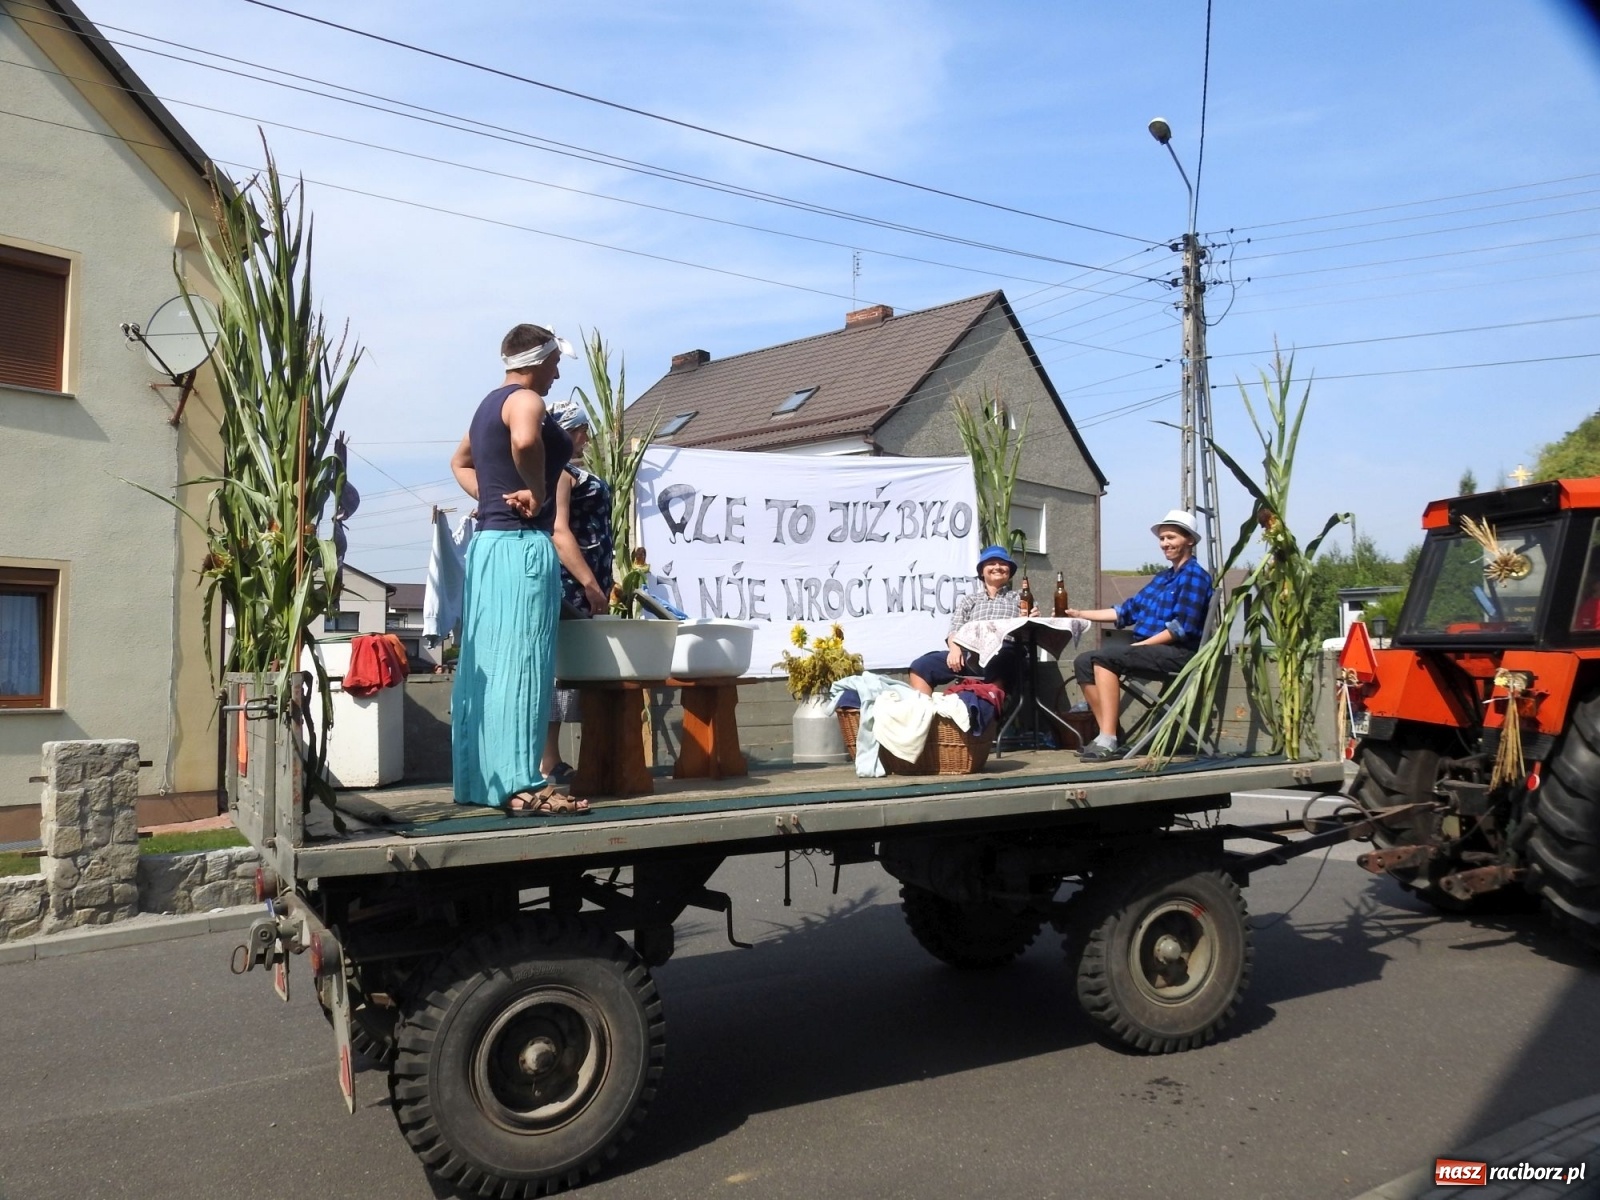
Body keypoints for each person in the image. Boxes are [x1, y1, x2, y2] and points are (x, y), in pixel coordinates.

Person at [448, 323, 589, 815]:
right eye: (554, 363)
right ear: (537, 360)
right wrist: (538, 491)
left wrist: (491, 499)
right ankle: (521, 783)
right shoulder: (527, 402)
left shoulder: (488, 403)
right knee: (525, 663)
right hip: (523, 547)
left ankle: (482, 781)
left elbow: (460, 462)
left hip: (489, 545)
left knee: (487, 659)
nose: (555, 373)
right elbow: (528, 442)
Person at [1065, 509, 1214, 762]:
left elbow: (1180, 629)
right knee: (1083, 661)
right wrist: (1080, 613)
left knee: (1106, 658)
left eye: (1171, 537)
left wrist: (1142, 645)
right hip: (1150, 650)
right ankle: (1109, 733)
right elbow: (1127, 611)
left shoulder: (1195, 576)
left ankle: (1108, 739)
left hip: (1180, 653)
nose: (1165, 543)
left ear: (1190, 540)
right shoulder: (1163, 578)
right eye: (1162, 538)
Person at [542, 397, 613, 783]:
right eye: (580, 429)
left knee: (575, 672)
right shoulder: (559, 473)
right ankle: (549, 759)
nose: (586, 436)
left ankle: (568, 755)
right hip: (572, 584)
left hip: (591, 580)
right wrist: (589, 583)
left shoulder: (572, 470)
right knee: (561, 670)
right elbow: (559, 531)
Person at [908, 544, 1025, 695]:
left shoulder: (1020, 597)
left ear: (1009, 572)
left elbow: (1032, 625)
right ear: (982, 572)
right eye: (991, 563)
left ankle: (991, 706)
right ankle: (924, 714)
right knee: (921, 666)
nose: (997, 566)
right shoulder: (970, 600)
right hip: (971, 654)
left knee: (1002, 657)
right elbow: (955, 628)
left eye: (1003, 563)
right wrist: (955, 649)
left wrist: (1029, 617)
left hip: (1003, 654)